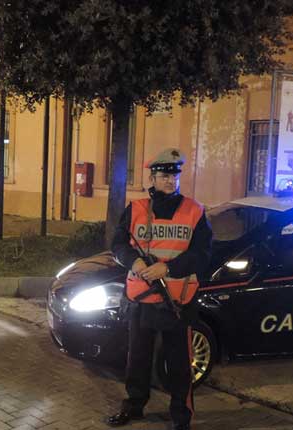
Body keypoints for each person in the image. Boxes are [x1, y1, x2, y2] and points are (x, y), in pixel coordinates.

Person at [107, 148, 212, 430]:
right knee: (137, 359)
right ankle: (134, 405)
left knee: (179, 363)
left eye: (174, 175)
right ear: (152, 178)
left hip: (177, 300)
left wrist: (168, 268)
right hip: (142, 298)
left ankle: (181, 417)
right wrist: (136, 261)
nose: (170, 180)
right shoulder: (136, 209)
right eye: (164, 175)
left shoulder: (195, 211)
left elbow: (203, 254)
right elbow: (117, 245)